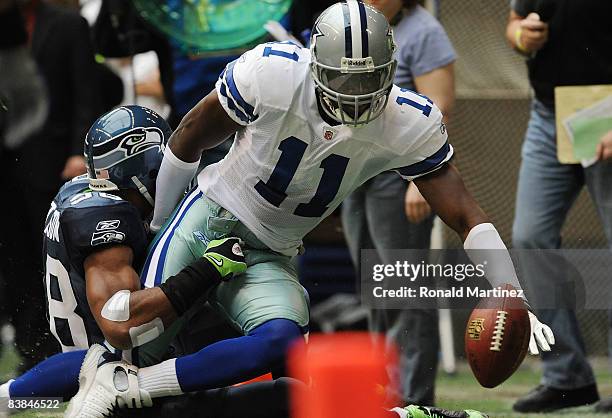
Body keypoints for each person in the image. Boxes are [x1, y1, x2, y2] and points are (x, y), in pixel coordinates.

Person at [71, 2, 554, 415]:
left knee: (284, 348)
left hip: (271, 252)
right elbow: (187, 139)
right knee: (129, 339)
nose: (355, 92)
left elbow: (465, 214)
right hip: (208, 221)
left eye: (368, 79)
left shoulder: (409, 120)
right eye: (343, 75)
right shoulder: (273, 74)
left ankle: (131, 387)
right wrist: (159, 225)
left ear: (391, 71)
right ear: (314, 60)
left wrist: (510, 288)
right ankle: (15, 396)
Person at [0, 105, 247, 415]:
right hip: (117, 376)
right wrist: (209, 269)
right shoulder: (107, 218)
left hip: (80, 367)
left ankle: (7, 400)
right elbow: (123, 324)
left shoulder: (79, 192)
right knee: (275, 366)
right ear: (144, 167)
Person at [341, 0, 455, 405]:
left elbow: (438, 108)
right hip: (356, 171)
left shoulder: (424, 31)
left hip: (399, 175)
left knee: (405, 290)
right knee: (374, 289)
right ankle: (384, 393)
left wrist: (418, 181)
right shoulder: (354, 27)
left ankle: (413, 398)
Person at [505, 0, 612, 413]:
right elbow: (514, 22)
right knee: (530, 238)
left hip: (605, 108)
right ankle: (567, 377)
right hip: (549, 114)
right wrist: (520, 36)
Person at [0, 0, 101, 371]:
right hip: (5, 172)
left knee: (56, 259)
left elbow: (86, 93)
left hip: (54, 165)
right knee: (14, 262)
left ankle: (73, 347)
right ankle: (31, 352)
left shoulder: (69, 25)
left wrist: (79, 151)